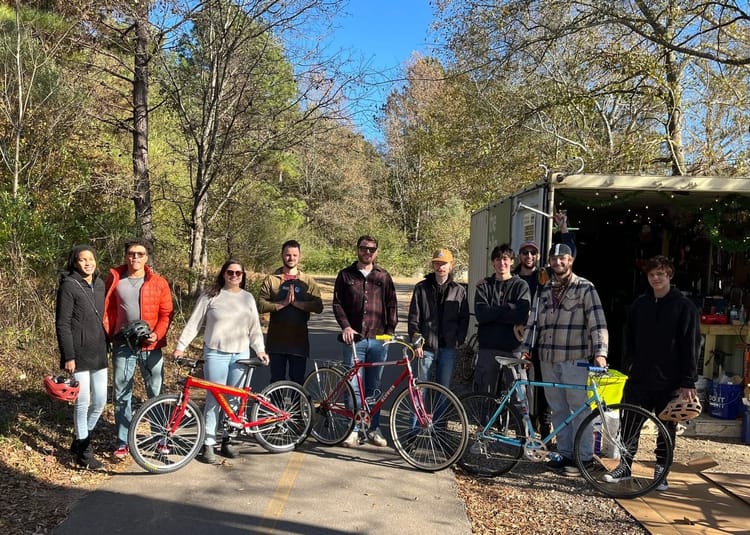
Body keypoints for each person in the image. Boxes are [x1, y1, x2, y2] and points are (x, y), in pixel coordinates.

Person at [603, 255, 700, 491]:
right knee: (630, 424)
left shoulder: (684, 306)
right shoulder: (640, 305)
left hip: (671, 379)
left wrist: (688, 380)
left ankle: (661, 471)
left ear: (669, 275)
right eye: (652, 274)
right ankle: (625, 466)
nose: (656, 278)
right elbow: (629, 339)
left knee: (666, 428)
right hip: (640, 377)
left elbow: (692, 344)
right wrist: (628, 366)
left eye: (660, 274)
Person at [520, 243, 608, 475]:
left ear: (571, 260)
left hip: (574, 358)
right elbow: (534, 321)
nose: (558, 262)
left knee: (579, 408)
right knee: (558, 408)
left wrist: (600, 353)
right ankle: (566, 453)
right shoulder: (544, 289)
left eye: (563, 258)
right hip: (548, 358)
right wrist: (526, 348)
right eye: (554, 258)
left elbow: (597, 323)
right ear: (549, 261)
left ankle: (585, 458)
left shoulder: (585, 288)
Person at [173, 259, 269, 463]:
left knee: (234, 399)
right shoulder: (211, 295)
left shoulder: (247, 298)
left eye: (238, 273)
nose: (234, 276)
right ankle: (208, 442)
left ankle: (228, 439)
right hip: (215, 353)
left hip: (240, 354)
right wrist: (181, 346)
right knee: (214, 399)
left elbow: (254, 329)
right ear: (223, 274)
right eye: (230, 272)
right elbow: (194, 322)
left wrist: (259, 350)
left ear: (243, 276)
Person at [103, 238, 173, 459]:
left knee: (155, 392)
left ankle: (160, 437)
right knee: (123, 393)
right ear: (126, 255)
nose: (135, 258)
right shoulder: (115, 278)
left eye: (140, 254)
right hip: (123, 344)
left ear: (147, 257)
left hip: (151, 346)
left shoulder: (159, 282)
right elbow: (106, 308)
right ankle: (122, 441)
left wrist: (156, 334)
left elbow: (166, 314)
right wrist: (109, 332)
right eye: (132, 253)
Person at [513, 211, 576, 438]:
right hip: (522, 340)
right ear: (519, 255)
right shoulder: (512, 278)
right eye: (525, 252)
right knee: (525, 387)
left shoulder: (546, 275)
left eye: (533, 252)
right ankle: (524, 428)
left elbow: (568, 254)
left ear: (539, 256)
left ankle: (545, 428)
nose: (529, 256)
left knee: (545, 387)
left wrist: (563, 229)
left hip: (544, 341)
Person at [332, 235, 398, 448]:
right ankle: (352, 429)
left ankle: (372, 428)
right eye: (363, 248)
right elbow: (337, 304)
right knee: (353, 387)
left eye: (371, 249)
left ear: (376, 252)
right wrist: (346, 327)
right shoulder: (345, 275)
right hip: (354, 341)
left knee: (374, 387)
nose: (367, 252)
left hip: (378, 340)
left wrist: (390, 331)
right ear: (357, 250)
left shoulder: (383, 276)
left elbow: (391, 305)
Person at [55, 245, 109, 469]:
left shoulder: (100, 284)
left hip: (99, 351)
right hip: (78, 354)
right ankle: (84, 452)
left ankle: (79, 439)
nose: (88, 263)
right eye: (82, 260)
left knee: (100, 402)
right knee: (83, 402)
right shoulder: (69, 286)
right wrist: (69, 356)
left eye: (91, 259)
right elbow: (62, 323)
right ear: (74, 263)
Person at [258, 240, 323, 385]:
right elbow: (261, 305)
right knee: (276, 380)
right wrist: (282, 304)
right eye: (288, 255)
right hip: (276, 341)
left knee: (298, 381)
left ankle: (297, 408)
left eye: (294, 255)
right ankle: (276, 408)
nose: (291, 258)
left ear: (299, 256)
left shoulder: (307, 281)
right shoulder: (271, 280)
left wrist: (297, 304)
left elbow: (319, 306)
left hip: (298, 342)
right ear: (282, 255)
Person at [407, 248, 469, 388]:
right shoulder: (421, 288)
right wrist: (416, 343)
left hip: (448, 347)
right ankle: (419, 411)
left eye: (444, 264)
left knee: (444, 388)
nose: (440, 267)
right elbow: (413, 318)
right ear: (433, 265)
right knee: (421, 387)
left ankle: (440, 411)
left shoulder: (459, 290)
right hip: (426, 347)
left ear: (450, 266)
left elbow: (464, 318)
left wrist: (459, 339)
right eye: (437, 263)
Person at [473, 244, 530, 395]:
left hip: (513, 348)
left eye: (505, 259)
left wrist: (493, 313)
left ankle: (518, 420)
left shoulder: (521, 285)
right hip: (488, 347)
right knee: (485, 393)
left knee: (518, 395)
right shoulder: (484, 286)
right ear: (493, 262)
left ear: (512, 261)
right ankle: (486, 420)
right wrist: (509, 307)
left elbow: (521, 314)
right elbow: (481, 315)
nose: (501, 263)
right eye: (498, 259)